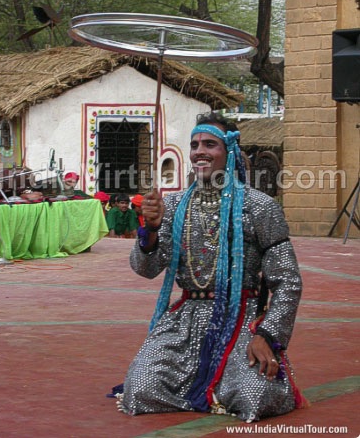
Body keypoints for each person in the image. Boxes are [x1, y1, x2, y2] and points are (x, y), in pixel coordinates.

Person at [111, 112, 304, 422]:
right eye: (194, 144)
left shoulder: (259, 206)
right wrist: (151, 230)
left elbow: (288, 281)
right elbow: (145, 269)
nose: (199, 151)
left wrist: (267, 336)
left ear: (230, 152)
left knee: (254, 397)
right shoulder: (172, 205)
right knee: (140, 389)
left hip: (241, 317)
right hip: (184, 320)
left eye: (210, 144)